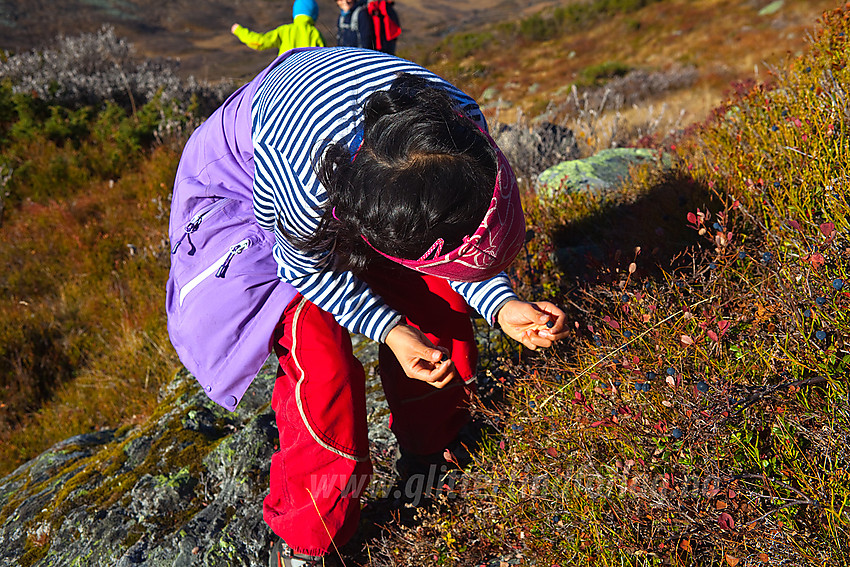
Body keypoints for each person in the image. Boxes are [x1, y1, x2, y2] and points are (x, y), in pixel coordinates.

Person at [166, 46, 567, 567]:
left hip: (359, 153)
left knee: (439, 299)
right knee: (322, 365)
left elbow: (459, 236)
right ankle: (312, 539)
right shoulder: (303, 185)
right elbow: (308, 271)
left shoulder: (459, 128)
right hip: (244, 189)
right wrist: (395, 332)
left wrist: (501, 302)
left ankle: (432, 455)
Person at [231, 0, 325, 56]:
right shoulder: (316, 33)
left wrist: (239, 31)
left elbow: (259, 42)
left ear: (295, 12)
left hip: (284, 75)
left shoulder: (285, 30)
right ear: (314, 15)